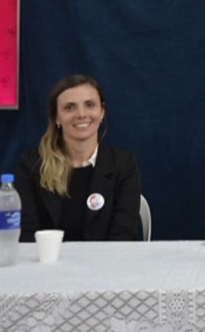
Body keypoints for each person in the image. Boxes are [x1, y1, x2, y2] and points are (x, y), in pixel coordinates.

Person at [14, 75, 141, 242]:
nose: (81, 114)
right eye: (69, 107)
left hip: (105, 265)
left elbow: (123, 236)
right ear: (56, 117)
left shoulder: (124, 165)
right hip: (46, 264)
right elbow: (26, 234)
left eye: (90, 105)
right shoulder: (31, 163)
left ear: (102, 112)